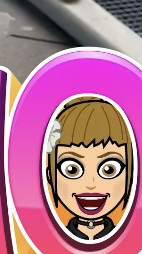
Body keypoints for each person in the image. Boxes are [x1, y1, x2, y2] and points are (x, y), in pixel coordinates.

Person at [45, 96, 134, 241]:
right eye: (72, 169)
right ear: (49, 174)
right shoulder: (50, 239)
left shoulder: (131, 239)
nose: (91, 184)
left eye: (109, 169)